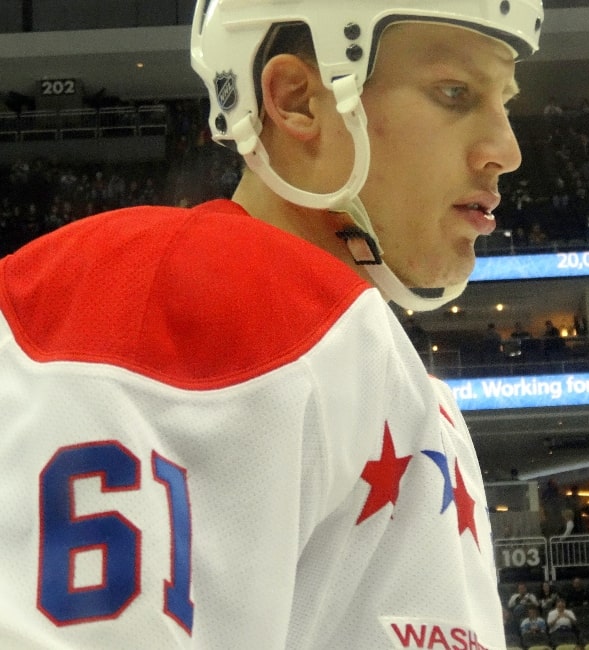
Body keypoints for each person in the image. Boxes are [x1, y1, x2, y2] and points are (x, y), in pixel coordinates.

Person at [0, 0, 544, 647]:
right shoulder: (187, 292)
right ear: (297, 101)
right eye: (454, 92)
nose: (505, 150)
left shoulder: (376, 361)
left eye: (504, 100)